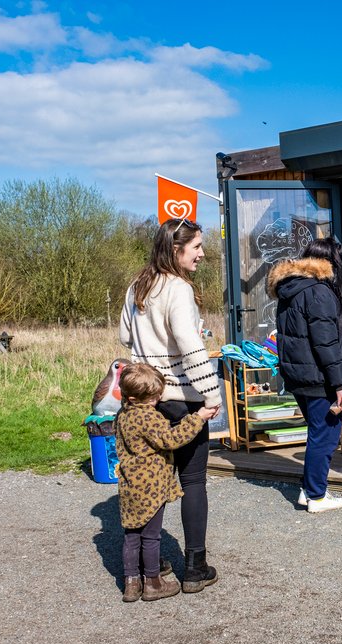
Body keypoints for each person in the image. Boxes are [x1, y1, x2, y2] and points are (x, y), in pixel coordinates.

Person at [119, 218, 222, 593]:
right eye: (196, 246)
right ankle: (195, 567)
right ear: (176, 249)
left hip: (145, 400)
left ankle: (151, 564)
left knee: (152, 482)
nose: (201, 253)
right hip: (182, 399)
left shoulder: (137, 287)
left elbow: (124, 336)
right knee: (193, 482)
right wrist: (211, 395)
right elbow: (189, 344)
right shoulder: (178, 288)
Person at [267, 238, 342, 513]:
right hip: (321, 379)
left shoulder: (292, 290)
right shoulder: (319, 292)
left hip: (300, 378)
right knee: (326, 435)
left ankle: (310, 491)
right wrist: (341, 384)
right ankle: (317, 496)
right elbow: (326, 344)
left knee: (318, 433)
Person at [115, 363, 218, 602]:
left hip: (129, 484)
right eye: (153, 398)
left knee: (132, 535)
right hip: (151, 485)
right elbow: (171, 439)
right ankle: (153, 582)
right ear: (135, 398)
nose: (157, 402)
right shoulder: (149, 417)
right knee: (151, 536)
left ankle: (131, 583)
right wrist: (199, 418)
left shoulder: (123, 414)